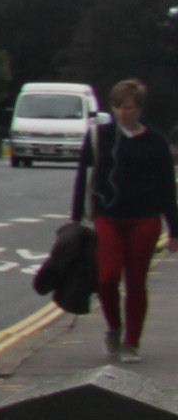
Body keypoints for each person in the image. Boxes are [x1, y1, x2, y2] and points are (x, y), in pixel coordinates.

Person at [76, 78, 177, 360]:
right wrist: (75, 219)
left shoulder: (155, 141)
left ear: (140, 109)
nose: (123, 113)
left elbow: (168, 188)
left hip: (144, 219)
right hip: (108, 215)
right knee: (107, 278)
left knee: (136, 281)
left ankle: (132, 342)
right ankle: (114, 327)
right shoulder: (100, 136)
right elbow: (83, 178)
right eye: (118, 107)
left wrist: (174, 230)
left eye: (129, 108)